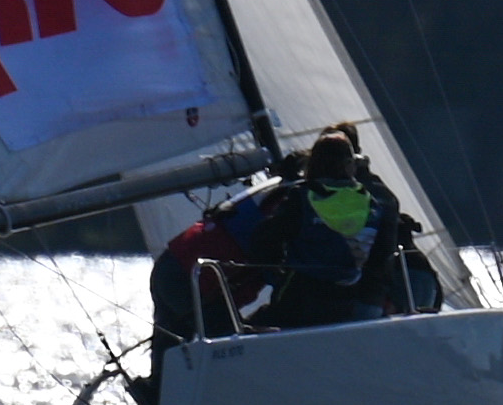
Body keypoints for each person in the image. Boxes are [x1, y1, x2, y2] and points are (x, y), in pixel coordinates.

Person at [153, 127, 428, 341]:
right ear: (350, 166)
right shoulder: (366, 202)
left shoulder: (292, 194)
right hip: (193, 279)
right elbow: (375, 256)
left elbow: (266, 240)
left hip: (178, 263)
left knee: (185, 352)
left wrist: (282, 269)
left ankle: (156, 395)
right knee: (233, 343)